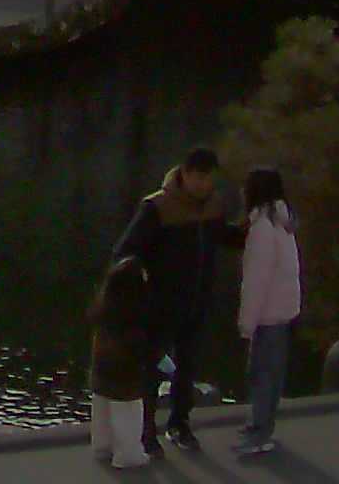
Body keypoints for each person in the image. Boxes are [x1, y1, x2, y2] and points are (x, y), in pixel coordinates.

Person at [114, 148, 236, 452]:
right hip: (160, 303)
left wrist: (256, 227)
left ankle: (180, 424)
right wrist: (136, 287)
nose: (203, 184)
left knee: (188, 367)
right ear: (184, 173)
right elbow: (126, 251)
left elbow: (225, 237)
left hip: (198, 300)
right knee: (151, 368)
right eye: (198, 177)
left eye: (208, 179)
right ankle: (145, 430)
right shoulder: (157, 207)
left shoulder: (213, 207)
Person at [236, 166, 303, 456]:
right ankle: (262, 426)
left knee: (262, 375)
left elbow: (256, 280)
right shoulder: (283, 223)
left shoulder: (262, 228)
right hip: (284, 309)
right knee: (273, 375)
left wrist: (245, 323)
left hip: (267, 313)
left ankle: (258, 433)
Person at [87, 257, 154, 471]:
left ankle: (102, 446)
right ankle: (128, 454)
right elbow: (140, 348)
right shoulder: (132, 318)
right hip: (125, 375)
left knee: (102, 409)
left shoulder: (104, 310)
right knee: (129, 414)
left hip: (101, 371)